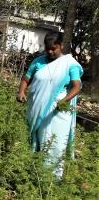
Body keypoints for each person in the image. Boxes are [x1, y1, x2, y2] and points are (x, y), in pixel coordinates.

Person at [17, 31, 83, 179]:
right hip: (36, 109)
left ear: (62, 46)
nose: (50, 52)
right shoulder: (38, 61)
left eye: (54, 48)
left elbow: (77, 86)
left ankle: (51, 179)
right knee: (36, 140)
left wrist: (64, 101)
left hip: (57, 112)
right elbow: (26, 78)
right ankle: (31, 173)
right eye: (47, 48)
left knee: (54, 144)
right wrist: (21, 92)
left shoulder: (70, 64)